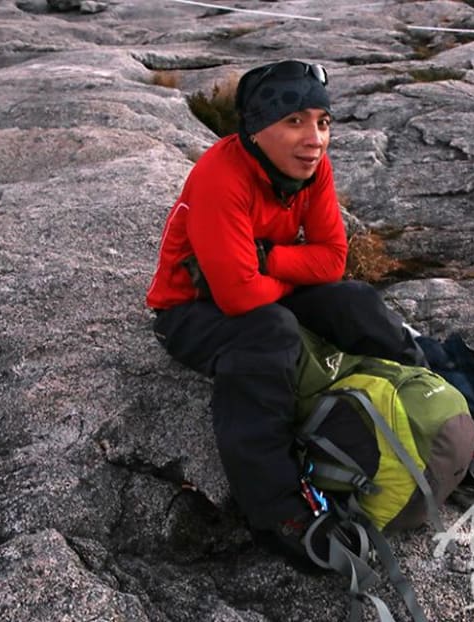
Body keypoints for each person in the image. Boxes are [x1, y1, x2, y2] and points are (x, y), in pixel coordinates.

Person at [146, 59, 425, 562]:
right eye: (294, 121)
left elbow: (334, 260)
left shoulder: (310, 169)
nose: (314, 138)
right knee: (271, 334)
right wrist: (284, 280)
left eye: (322, 121)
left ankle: (431, 396)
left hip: (259, 283)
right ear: (256, 129)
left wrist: (267, 260)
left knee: (355, 302)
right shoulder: (220, 178)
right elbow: (235, 298)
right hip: (186, 312)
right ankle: (278, 511)